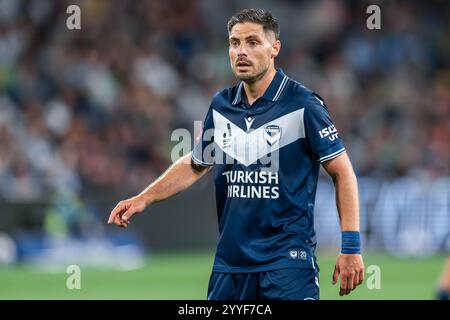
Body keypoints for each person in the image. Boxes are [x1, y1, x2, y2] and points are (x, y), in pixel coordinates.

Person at [108, 8, 364, 300]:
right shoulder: (222, 105)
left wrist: (351, 247)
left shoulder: (303, 104)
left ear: (274, 48)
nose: (241, 51)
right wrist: (144, 197)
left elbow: (342, 172)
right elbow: (196, 163)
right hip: (230, 268)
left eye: (253, 42)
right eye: (234, 43)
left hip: (287, 265)